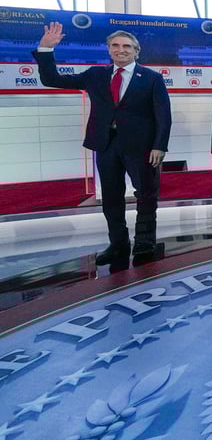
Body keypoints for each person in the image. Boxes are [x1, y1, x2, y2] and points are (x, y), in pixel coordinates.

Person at [33, 23, 172, 265]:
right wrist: (46, 49)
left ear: (136, 51)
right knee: (111, 197)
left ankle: (144, 243)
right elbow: (51, 79)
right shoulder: (95, 75)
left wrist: (159, 146)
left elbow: (163, 115)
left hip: (142, 148)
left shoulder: (151, 78)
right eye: (115, 46)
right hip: (106, 145)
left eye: (127, 46)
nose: (121, 50)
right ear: (109, 50)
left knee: (146, 195)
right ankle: (118, 244)